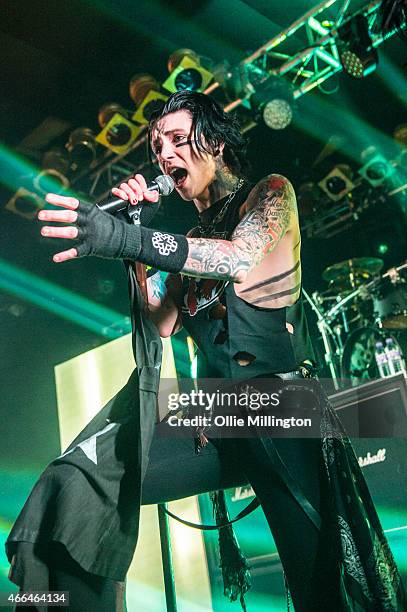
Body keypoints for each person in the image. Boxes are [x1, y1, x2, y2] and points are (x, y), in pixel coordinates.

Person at [6, 91, 406, 612]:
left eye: (176, 140)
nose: (164, 155)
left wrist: (128, 240)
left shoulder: (269, 195)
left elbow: (237, 257)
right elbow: (161, 322)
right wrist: (137, 232)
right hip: (213, 415)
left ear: (215, 144)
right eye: (157, 147)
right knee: (77, 479)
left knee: (322, 584)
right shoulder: (192, 234)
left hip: (280, 406)